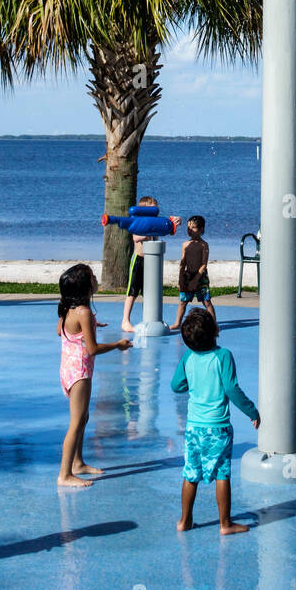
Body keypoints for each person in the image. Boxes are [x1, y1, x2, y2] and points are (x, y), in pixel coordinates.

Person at [170, 308, 259, 535]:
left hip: (193, 427)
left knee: (191, 473)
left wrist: (195, 384)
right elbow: (231, 389)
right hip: (217, 428)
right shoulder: (223, 356)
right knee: (222, 473)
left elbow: (176, 385)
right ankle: (225, 524)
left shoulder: (188, 356)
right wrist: (252, 411)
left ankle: (185, 520)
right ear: (215, 331)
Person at [58, 263, 132, 488]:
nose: (96, 279)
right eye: (92, 276)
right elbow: (92, 349)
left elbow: (61, 330)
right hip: (80, 373)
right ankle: (64, 475)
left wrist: (89, 326)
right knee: (76, 422)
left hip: (69, 370)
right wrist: (118, 344)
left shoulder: (70, 309)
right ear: (85, 287)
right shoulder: (85, 312)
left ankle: (77, 463)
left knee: (84, 418)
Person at [121, 196, 181, 333]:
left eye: (156, 208)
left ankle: (148, 318)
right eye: (152, 208)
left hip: (152, 261)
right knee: (133, 291)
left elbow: (169, 230)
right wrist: (147, 233)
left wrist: (176, 221)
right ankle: (125, 321)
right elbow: (136, 237)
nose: (156, 211)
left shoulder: (157, 222)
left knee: (149, 292)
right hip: (139, 260)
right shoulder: (138, 222)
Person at [171, 216, 217, 332]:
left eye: (193, 228)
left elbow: (204, 264)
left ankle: (213, 324)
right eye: (188, 228)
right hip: (188, 276)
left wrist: (196, 279)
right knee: (183, 302)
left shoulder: (204, 245)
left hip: (201, 277)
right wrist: (181, 279)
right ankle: (177, 323)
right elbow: (182, 263)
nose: (189, 230)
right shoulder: (185, 245)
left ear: (201, 230)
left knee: (206, 302)